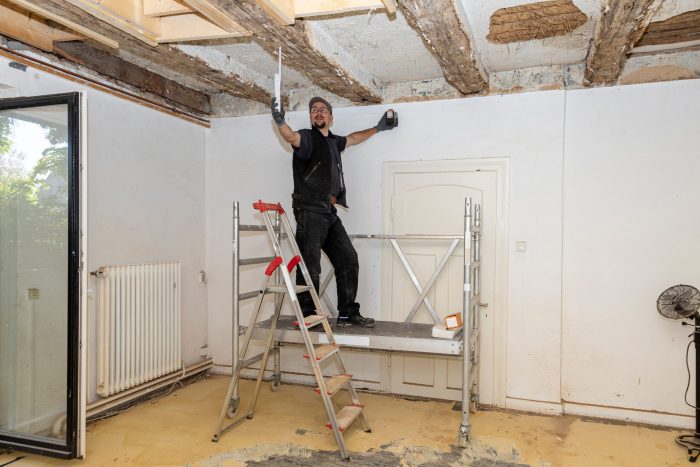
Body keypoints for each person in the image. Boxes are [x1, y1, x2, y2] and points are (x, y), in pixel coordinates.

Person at [270, 95, 397, 327]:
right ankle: (308, 315)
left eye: (323, 109)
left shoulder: (333, 142)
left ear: (330, 117)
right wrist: (280, 122)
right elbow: (290, 136)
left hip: (328, 212)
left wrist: (378, 128)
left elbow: (353, 138)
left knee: (348, 258)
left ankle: (348, 313)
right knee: (310, 264)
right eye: (314, 109)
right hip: (309, 211)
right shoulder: (308, 139)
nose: (318, 112)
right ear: (311, 117)